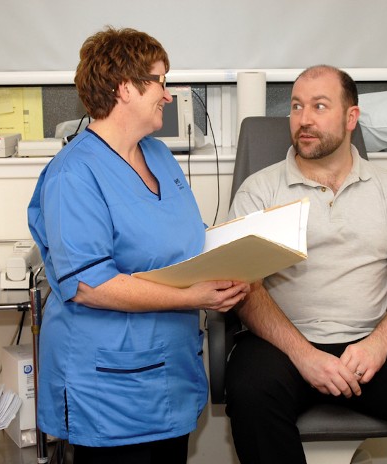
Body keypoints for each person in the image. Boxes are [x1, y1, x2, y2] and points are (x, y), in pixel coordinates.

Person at [224, 65, 387, 464]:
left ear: (350, 118)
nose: (304, 119)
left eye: (319, 106)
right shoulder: (260, 190)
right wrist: (305, 355)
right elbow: (243, 286)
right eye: (296, 107)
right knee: (251, 391)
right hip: (281, 348)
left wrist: (377, 345)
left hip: (365, 348)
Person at [27, 27, 249, 464]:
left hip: (169, 372)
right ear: (125, 87)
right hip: (108, 386)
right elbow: (90, 284)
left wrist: (239, 255)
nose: (168, 94)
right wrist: (194, 296)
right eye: (161, 81)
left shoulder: (160, 156)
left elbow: (188, 237)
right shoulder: (74, 175)